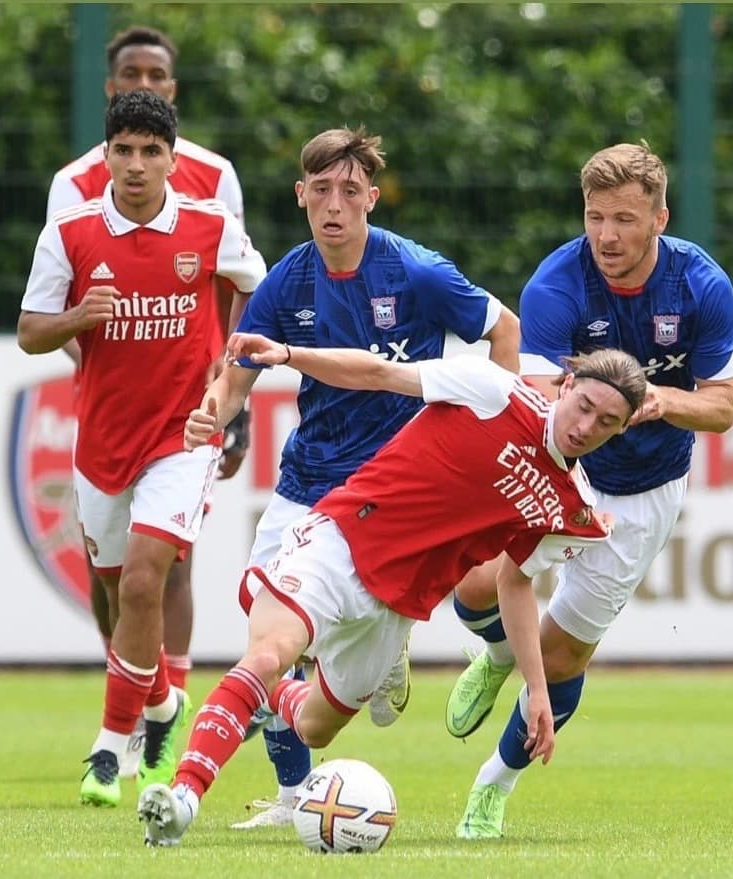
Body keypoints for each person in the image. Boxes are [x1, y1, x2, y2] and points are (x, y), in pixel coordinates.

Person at [136, 334, 649, 847]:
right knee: (270, 652)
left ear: (623, 429)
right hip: (341, 541)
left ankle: (262, 699)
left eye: (607, 423)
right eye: (584, 406)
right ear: (568, 384)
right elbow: (378, 373)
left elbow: (514, 583)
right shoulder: (495, 392)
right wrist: (291, 356)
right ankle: (182, 798)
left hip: (395, 608)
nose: (586, 428)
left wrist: (537, 689)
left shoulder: (569, 506)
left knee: (315, 727)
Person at [171, 125, 521, 829]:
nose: (335, 204)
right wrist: (213, 411)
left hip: (394, 497)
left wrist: (495, 439)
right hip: (308, 484)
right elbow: (235, 378)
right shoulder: (285, 283)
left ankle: (383, 649)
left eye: (350, 191)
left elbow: (503, 327)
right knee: (267, 645)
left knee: (307, 663)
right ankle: (297, 796)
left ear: (372, 198)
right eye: (321, 190)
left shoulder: (416, 273)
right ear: (301, 195)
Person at [445, 141, 733, 839]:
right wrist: (590, 409)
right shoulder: (556, 284)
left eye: (625, 220)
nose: (606, 235)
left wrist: (662, 402)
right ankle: (493, 656)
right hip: (562, 465)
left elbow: (724, 407)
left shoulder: (701, 287)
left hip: (643, 489)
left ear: (660, 218)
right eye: (594, 216)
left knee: (559, 657)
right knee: (474, 586)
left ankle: (496, 783)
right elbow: (542, 395)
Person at [18, 90, 267, 807]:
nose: (135, 165)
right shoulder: (68, 232)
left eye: (150, 152)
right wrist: (75, 315)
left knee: (142, 581)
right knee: (112, 589)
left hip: (183, 435)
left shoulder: (210, 223)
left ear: (171, 158)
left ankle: (107, 748)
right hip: (103, 441)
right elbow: (30, 330)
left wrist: (231, 370)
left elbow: (257, 285)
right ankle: (160, 703)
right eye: (122, 151)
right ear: (105, 157)